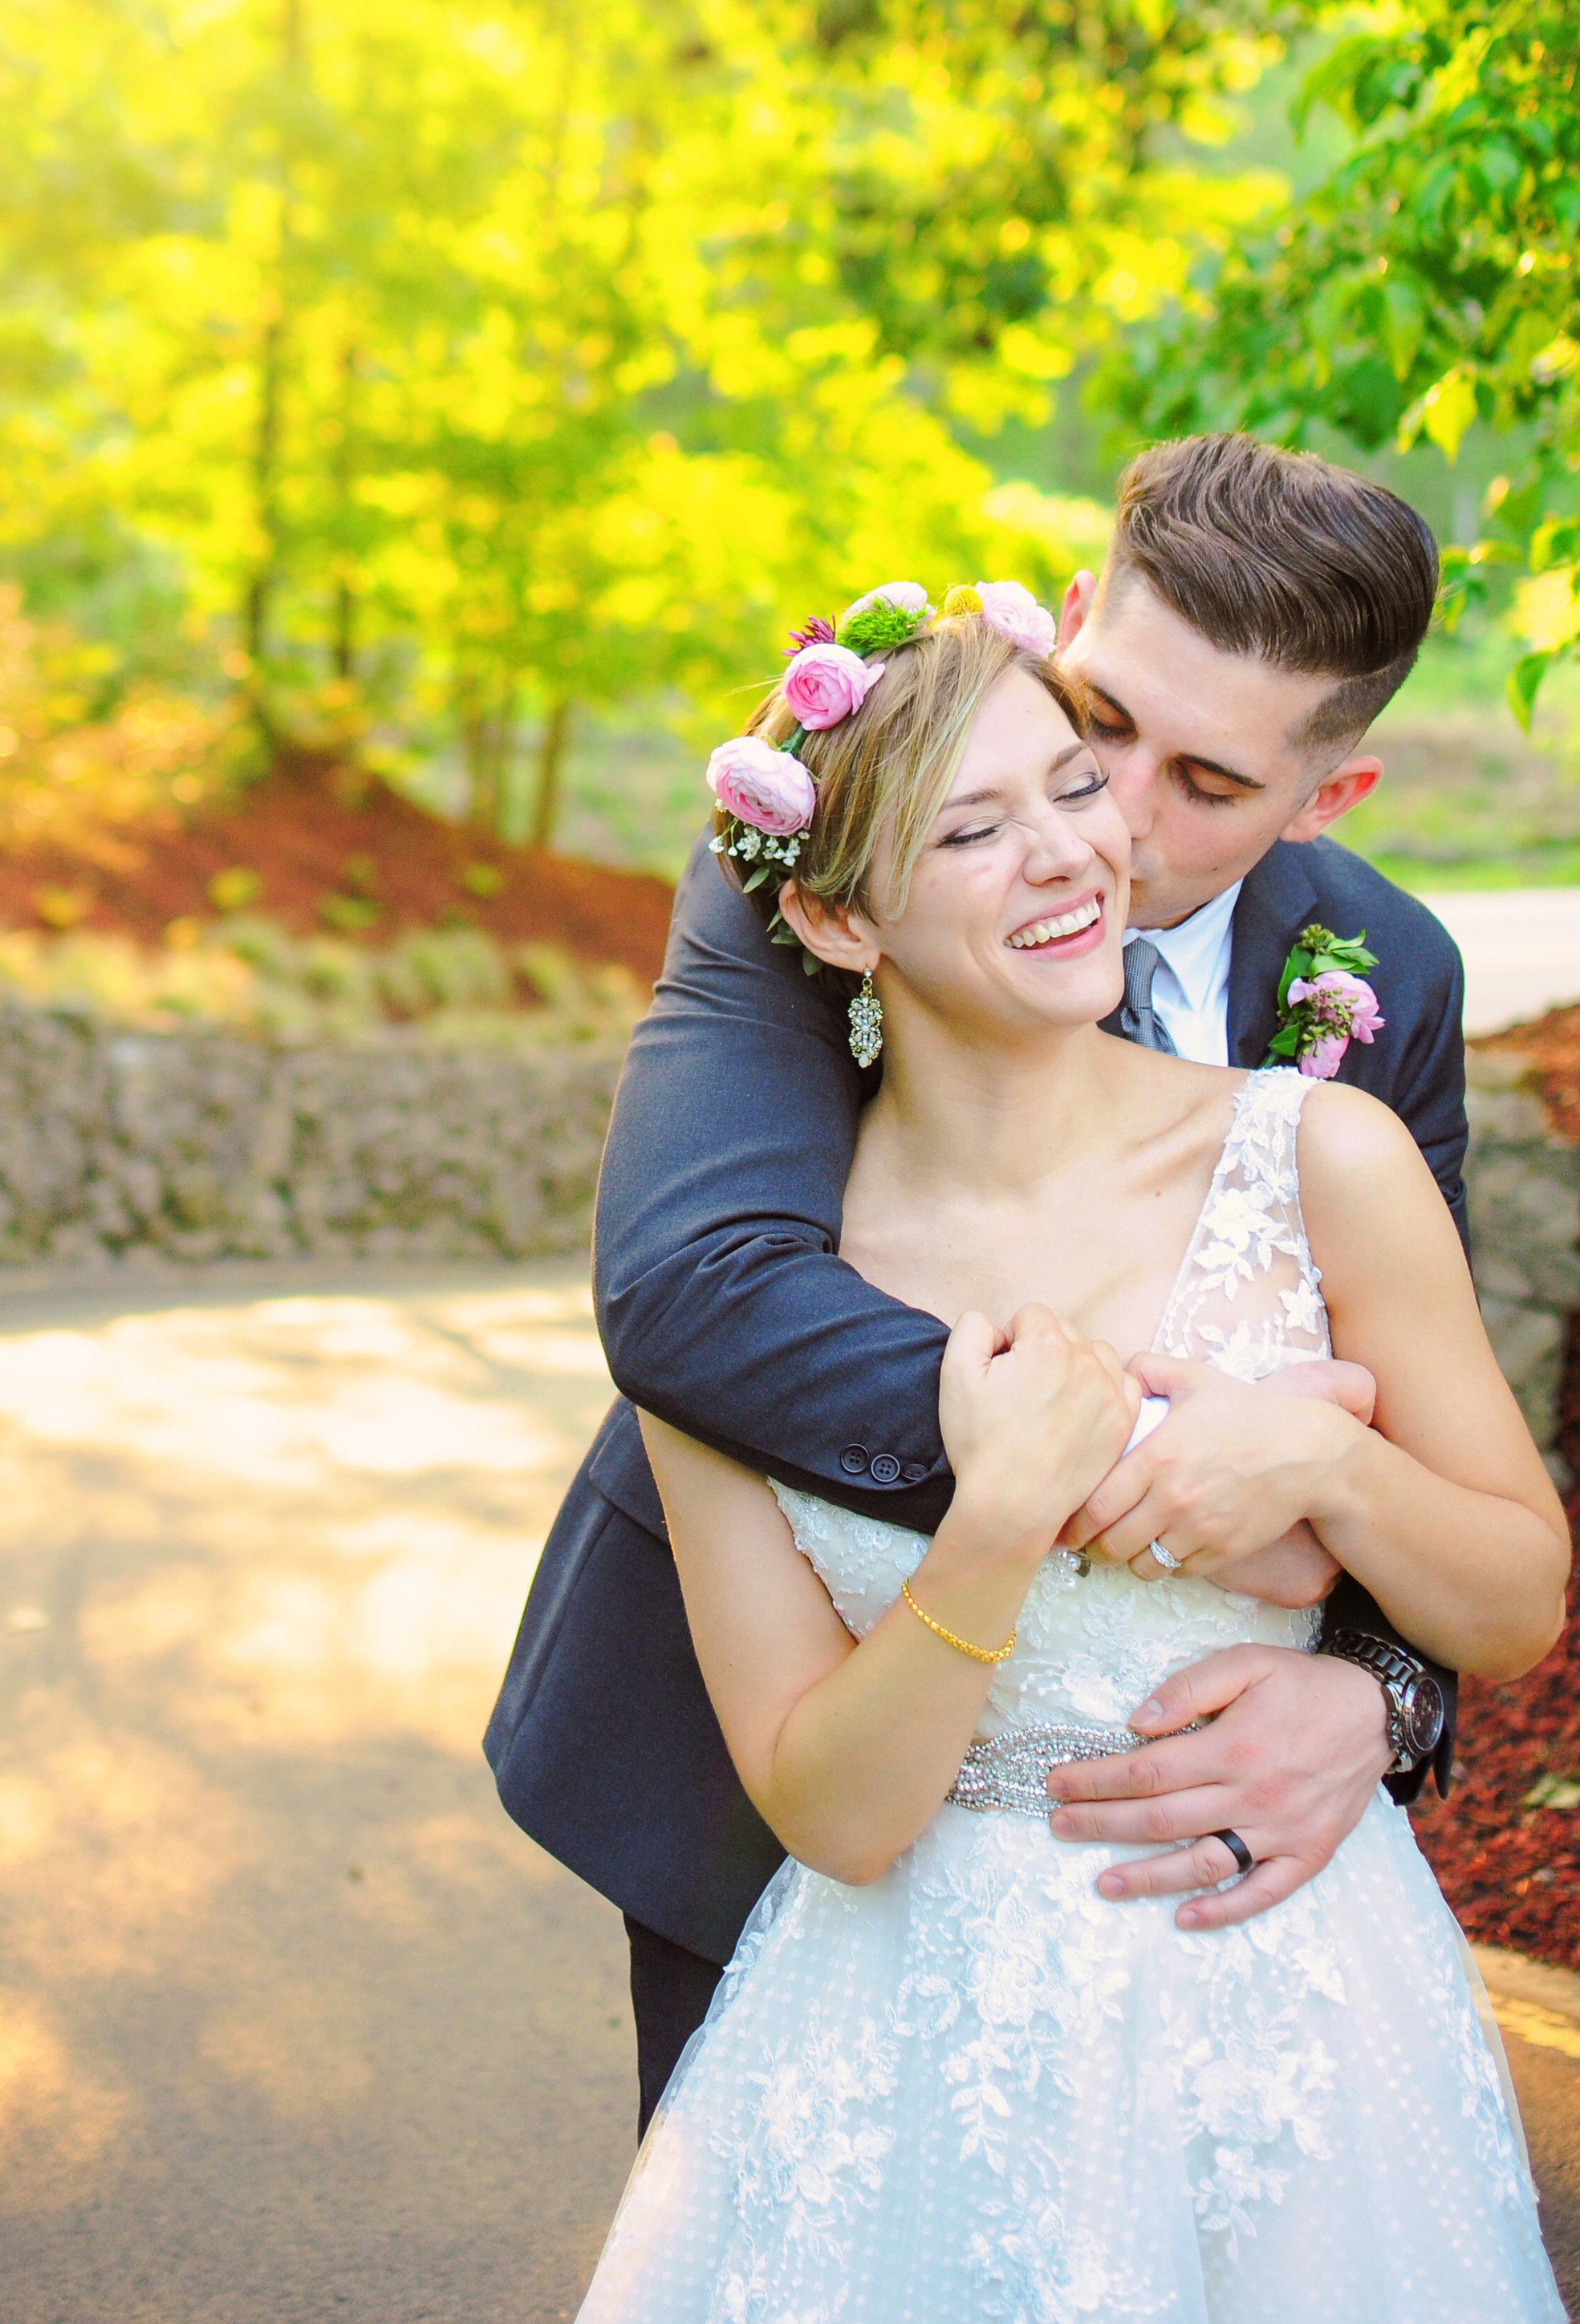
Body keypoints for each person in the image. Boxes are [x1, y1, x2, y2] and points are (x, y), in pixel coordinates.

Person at [574, 596, 1568, 2318]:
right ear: (830, 913)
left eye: (1070, 787)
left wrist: (1324, 1475)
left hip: (1292, 2024)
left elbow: (1513, 1600)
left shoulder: (1318, 1154)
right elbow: (838, 1814)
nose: (1069, 855)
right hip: (904, 2048)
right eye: (970, 828)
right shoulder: (742, 1304)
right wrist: (1004, 1518)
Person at [487, 438, 1478, 2135]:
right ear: (1072, 620)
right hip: (777, 1734)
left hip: (1183, 1839)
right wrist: (1153, 1478)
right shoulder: (833, 844)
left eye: (1211, 784)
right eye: (1098, 722)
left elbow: (1417, 1417)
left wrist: (1374, 1692)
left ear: (1327, 798)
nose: (1116, 829)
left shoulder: (1386, 971)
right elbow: (692, 1292)